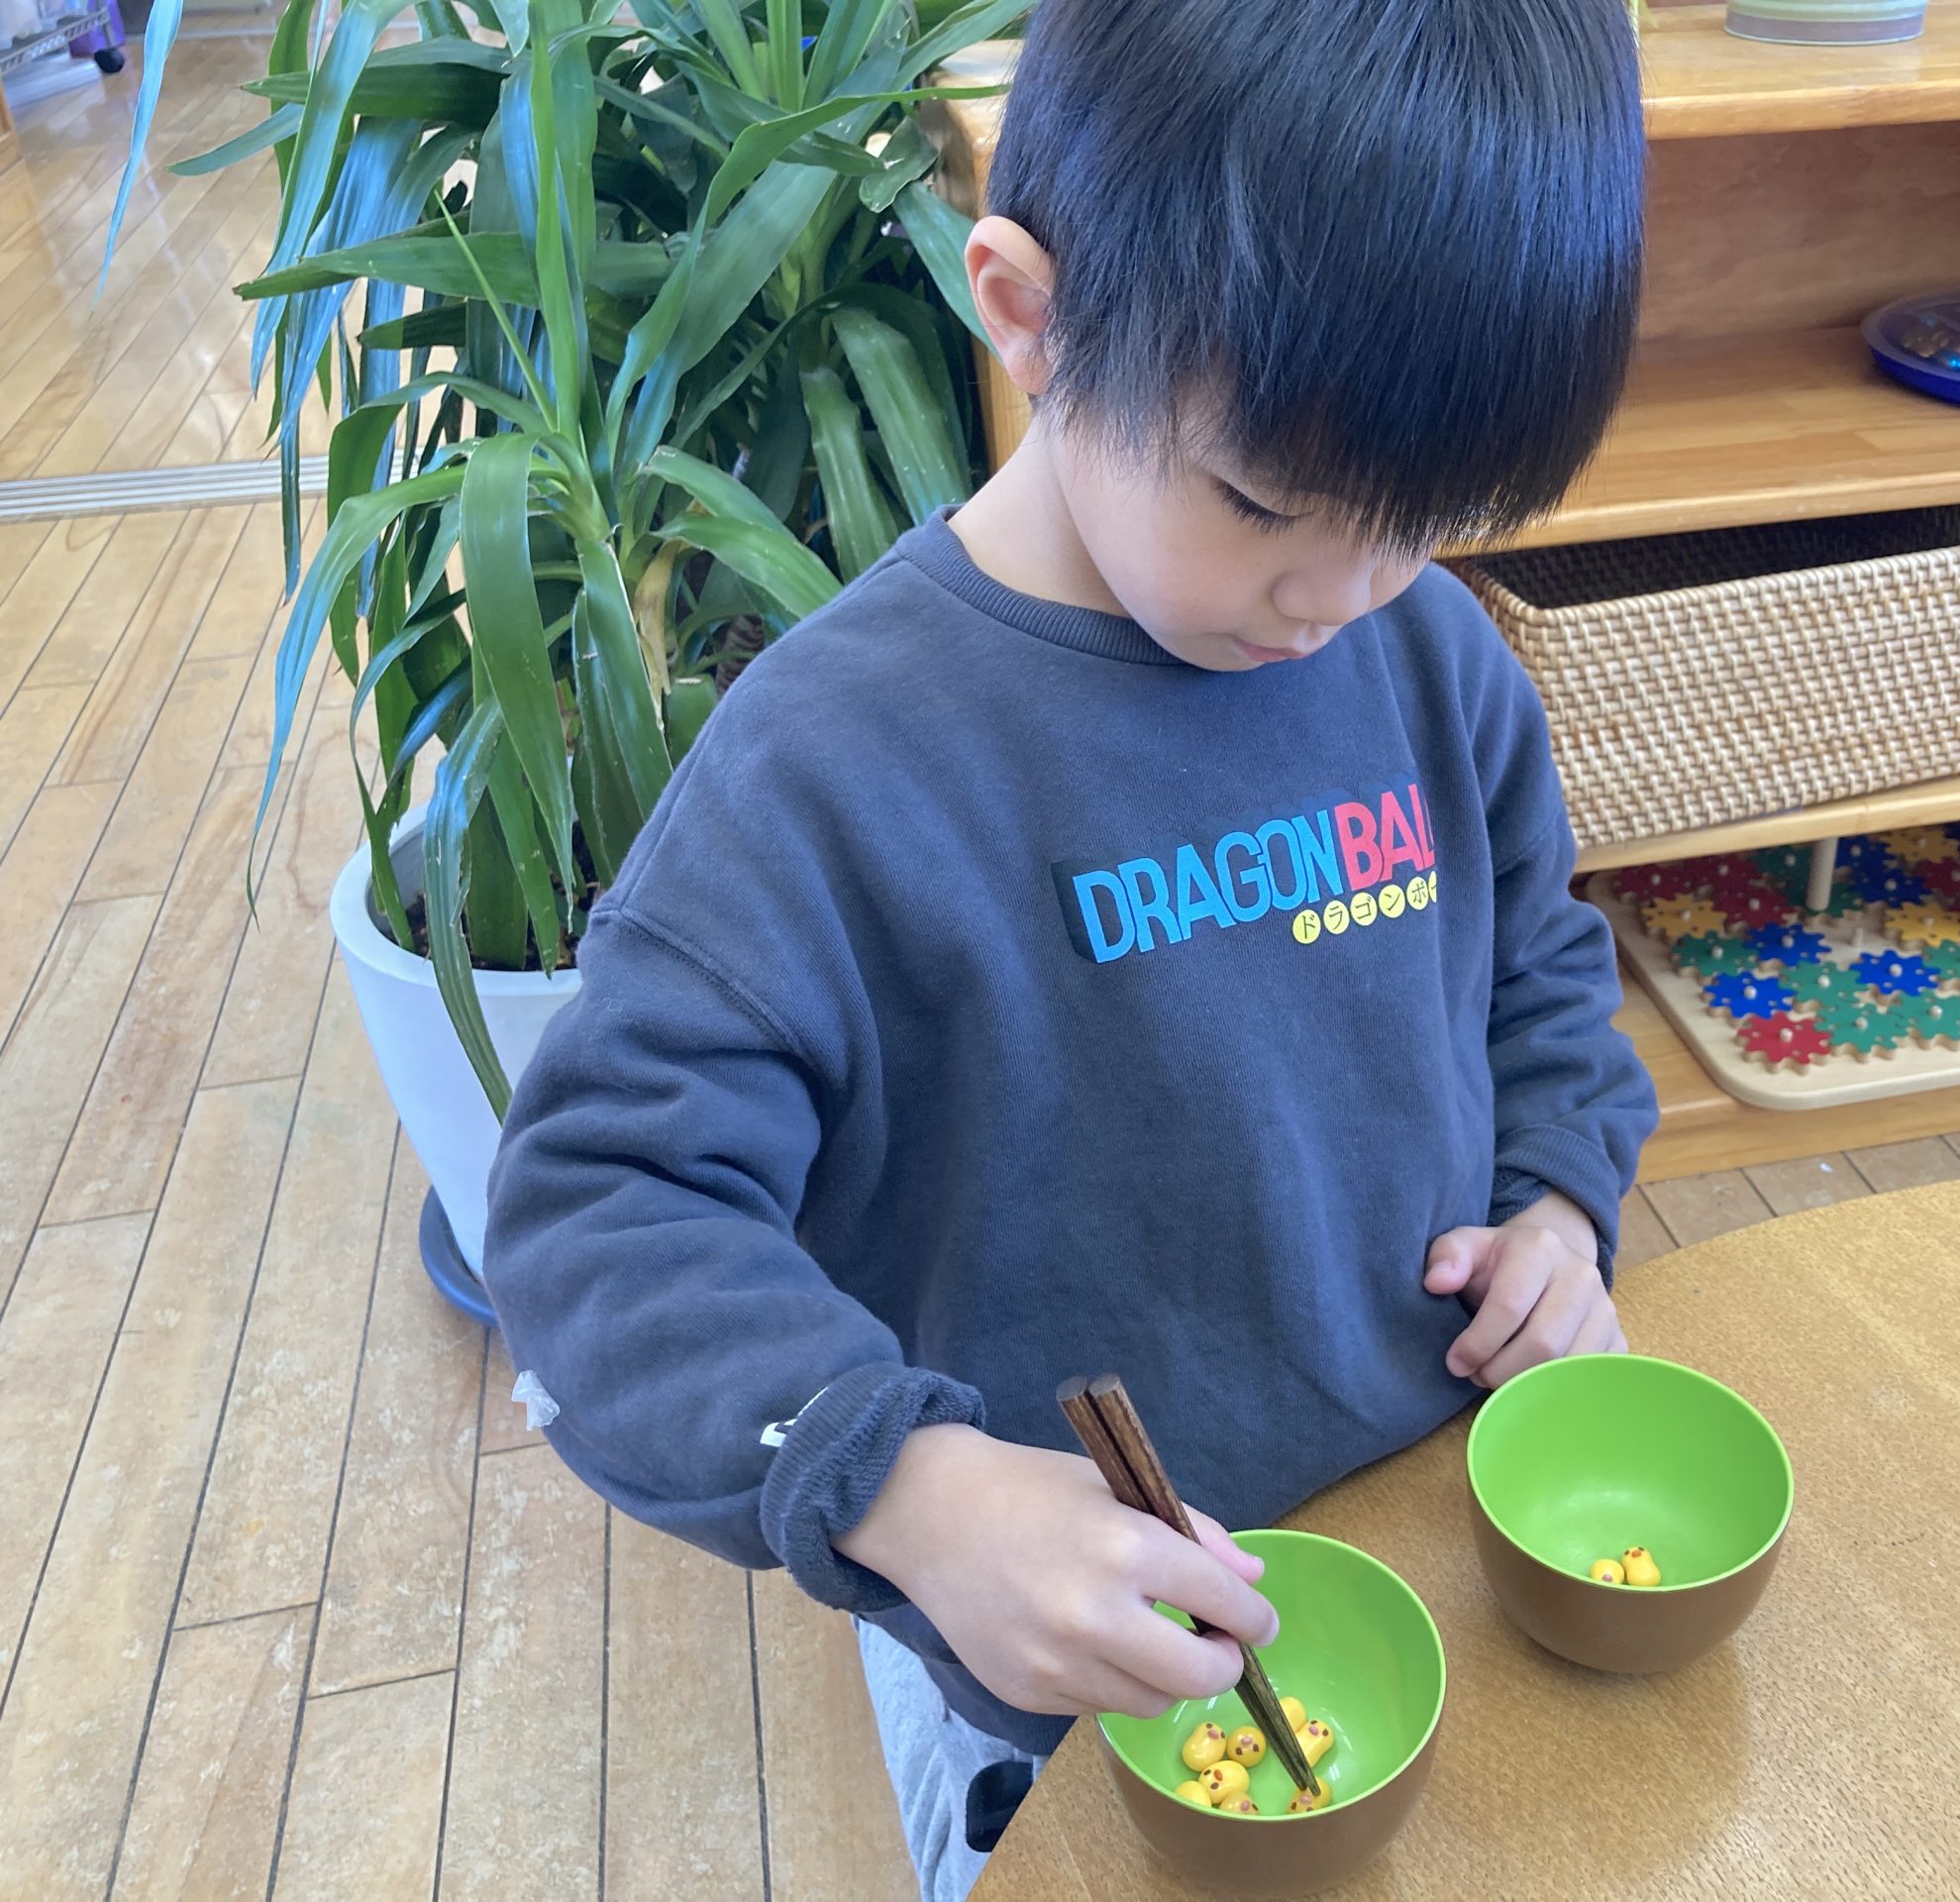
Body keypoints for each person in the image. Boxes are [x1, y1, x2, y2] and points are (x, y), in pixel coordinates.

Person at [481, 0, 1652, 1893]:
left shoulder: (1426, 657)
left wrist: (1560, 1207)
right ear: (1026, 312)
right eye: (1266, 502)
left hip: (1438, 1541)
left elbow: (1540, 972)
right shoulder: (834, 766)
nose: (1340, 596)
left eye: (1427, 522)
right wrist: (914, 1490)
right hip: (1064, 1689)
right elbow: (595, 1214)